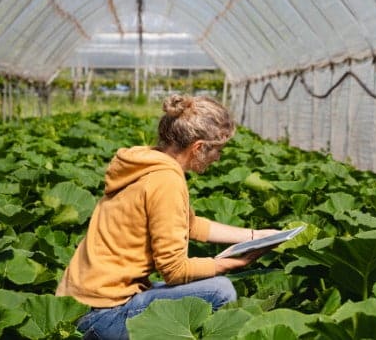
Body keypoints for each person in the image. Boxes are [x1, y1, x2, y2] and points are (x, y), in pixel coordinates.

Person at [56, 94, 279, 340]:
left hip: (77, 306)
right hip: (102, 316)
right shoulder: (166, 180)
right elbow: (173, 270)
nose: (218, 158)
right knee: (220, 290)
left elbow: (191, 225)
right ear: (197, 148)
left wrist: (255, 236)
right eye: (217, 150)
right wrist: (229, 264)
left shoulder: (144, 163)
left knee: (203, 290)